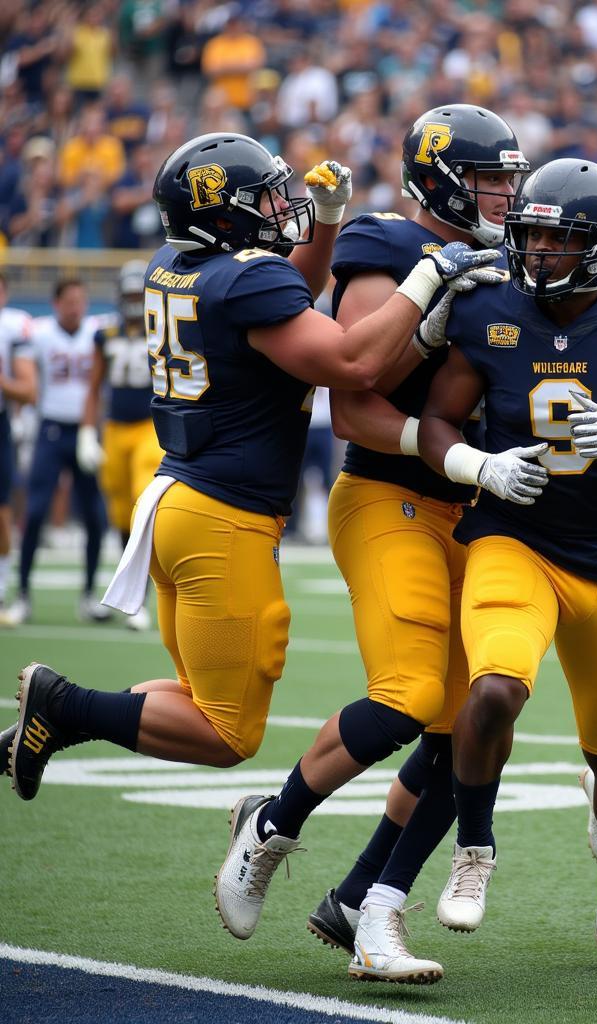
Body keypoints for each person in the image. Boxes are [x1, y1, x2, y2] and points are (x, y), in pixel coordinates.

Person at [4, 132, 498, 817]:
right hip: (223, 519)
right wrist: (430, 274)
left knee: (195, 699)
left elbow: (287, 291)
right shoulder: (246, 279)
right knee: (227, 733)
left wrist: (325, 224)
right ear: (221, 212)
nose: (279, 207)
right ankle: (62, 706)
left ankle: (59, 715)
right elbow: (355, 362)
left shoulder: (174, 265)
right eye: (263, 198)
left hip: (180, 504)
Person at [212, 106, 528, 982]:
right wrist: (459, 449)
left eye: (511, 176)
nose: (507, 193)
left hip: (483, 507)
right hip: (392, 495)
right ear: (439, 179)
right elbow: (352, 399)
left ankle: (370, 907)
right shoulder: (384, 245)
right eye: (490, 178)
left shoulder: (512, 257)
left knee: (473, 721)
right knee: (407, 694)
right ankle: (272, 824)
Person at [418, 158, 597, 978]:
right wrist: (480, 467)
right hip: (515, 537)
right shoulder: (488, 308)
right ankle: (474, 849)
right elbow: (439, 418)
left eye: (560, 237)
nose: (539, 251)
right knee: (496, 686)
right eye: (531, 233)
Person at [4, 279, 110, 626]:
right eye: (69, 301)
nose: (75, 307)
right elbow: (21, 366)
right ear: (55, 304)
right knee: (34, 513)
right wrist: (21, 417)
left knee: (95, 517)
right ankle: (22, 594)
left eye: (81, 301)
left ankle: (89, 594)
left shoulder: (97, 331)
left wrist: (91, 431)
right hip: (50, 429)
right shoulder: (39, 332)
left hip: (84, 432)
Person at [76, 259, 164, 630]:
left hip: (148, 426)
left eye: (136, 293)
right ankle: (125, 590)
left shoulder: (159, 328)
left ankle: (140, 599)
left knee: (141, 502)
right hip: (114, 428)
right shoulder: (106, 333)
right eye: (127, 293)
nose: (132, 300)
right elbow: (95, 386)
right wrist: (86, 430)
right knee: (117, 510)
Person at [0, 274, 37, 618]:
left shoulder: (12, 327)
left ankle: (1, 585)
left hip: (1, 423)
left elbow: (28, 390)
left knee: (2, 508)